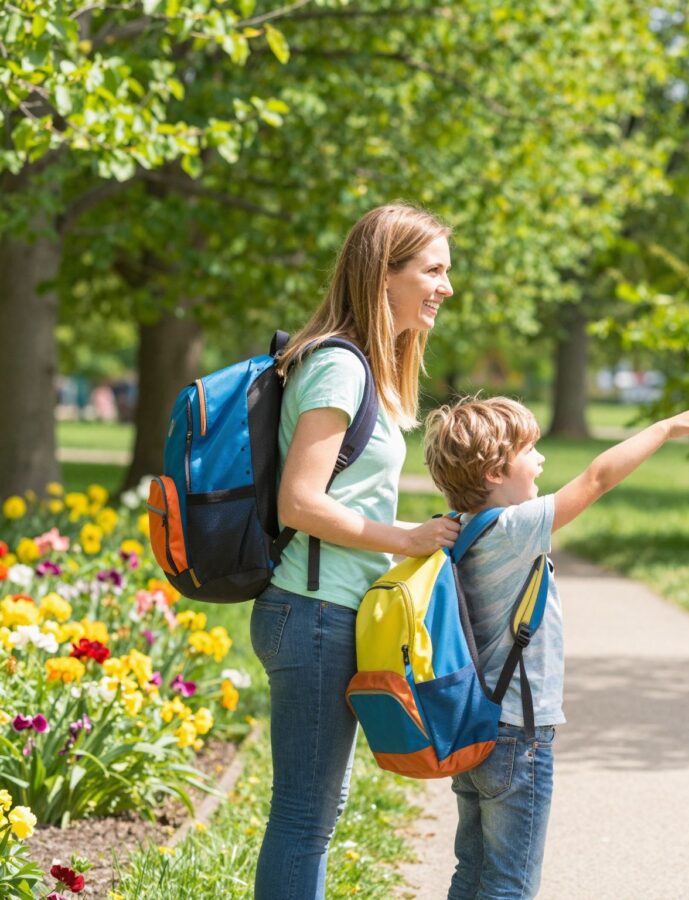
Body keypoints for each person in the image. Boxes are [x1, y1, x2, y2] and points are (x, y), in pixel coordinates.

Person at [423, 394, 689, 899]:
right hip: (519, 734)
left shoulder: (458, 530)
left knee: (472, 870)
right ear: (495, 471)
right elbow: (597, 479)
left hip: (474, 728)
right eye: (530, 450)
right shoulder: (513, 529)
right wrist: (663, 428)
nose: (540, 460)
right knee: (510, 884)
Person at [251, 202, 463, 899]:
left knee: (316, 814)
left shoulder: (362, 366)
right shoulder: (340, 366)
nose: (446, 287)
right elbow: (300, 502)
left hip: (328, 612)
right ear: (385, 274)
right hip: (313, 614)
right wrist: (403, 537)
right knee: (304, 819)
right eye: (432, 270)